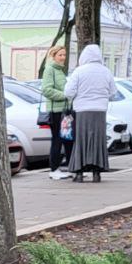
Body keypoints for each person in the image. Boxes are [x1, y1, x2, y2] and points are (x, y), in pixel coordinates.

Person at [63, 44, 118, 182]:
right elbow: (113, 93)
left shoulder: (79, 71)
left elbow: (68, 92)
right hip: (100, 110)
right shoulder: (106, 71)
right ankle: (96, 172)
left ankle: (79, 172)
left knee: (82, 140)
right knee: (98, 140)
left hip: (82, 110)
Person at [40, 44, 73, 180]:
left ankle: (71, 167)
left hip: (65, 111)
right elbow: (46, 90)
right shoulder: (50, 70)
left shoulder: (60, 71)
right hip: (55, 111)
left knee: (68, 139)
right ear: (53, 56)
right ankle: (54, 169)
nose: (63, 57)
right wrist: (65, 95)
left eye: (64, 55)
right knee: (57, 140)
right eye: (60, 55)